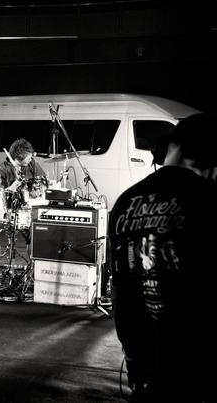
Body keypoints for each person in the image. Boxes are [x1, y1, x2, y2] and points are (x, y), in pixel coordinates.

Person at [110, 113, 217, 402]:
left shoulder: (125, 201)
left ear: (172, 146)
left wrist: (133, 358)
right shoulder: (208, 200)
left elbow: (120, 290)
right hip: (196, 365)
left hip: (144, 363)